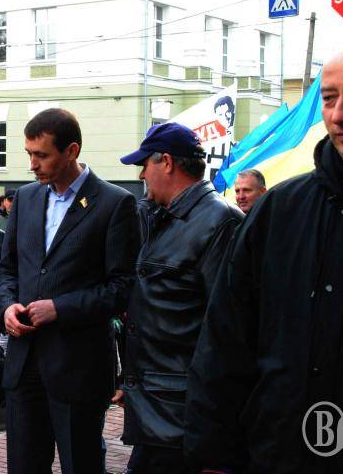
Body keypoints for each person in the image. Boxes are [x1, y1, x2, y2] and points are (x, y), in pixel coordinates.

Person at [185, 48, 343, 472]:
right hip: (282, 450)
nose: (339, 114)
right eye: (329, 98)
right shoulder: (281, 209)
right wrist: (213, 451)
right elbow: (226, 336)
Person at [0, 108, 140, 474]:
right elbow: (7, 270)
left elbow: (123, 287)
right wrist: (7, 308)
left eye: (41, 155)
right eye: (28, 153)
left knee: (81, 464)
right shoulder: (26, 198)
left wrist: (60, 308)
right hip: (24, 364)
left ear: (72, 150)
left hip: (78, 368)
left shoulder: (115, 203)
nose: (32, 164)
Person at [116, 122, 243, 473]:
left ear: (167, 162)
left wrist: (212, 418)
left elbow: (227, 330)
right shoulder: (160, 216)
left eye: (145, 164)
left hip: (185, 415)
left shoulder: (220, 222)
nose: (142, 175)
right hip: (157, 408)